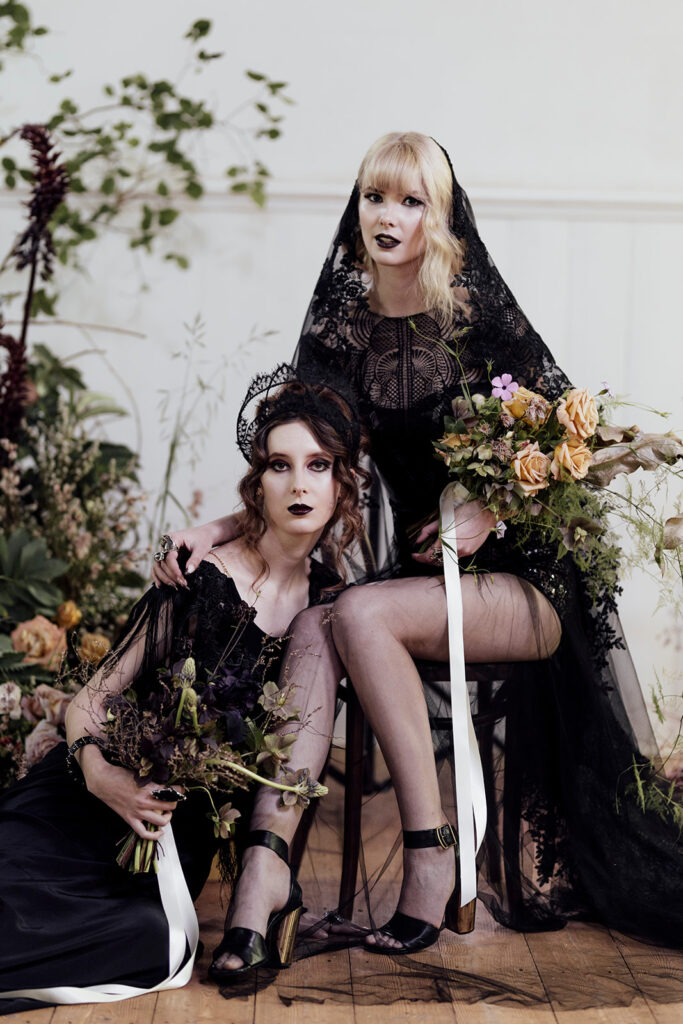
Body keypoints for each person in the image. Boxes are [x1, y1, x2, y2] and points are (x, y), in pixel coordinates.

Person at [153, 132, 683, 955]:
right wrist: (215, 528)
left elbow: (576, 454)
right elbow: (305, 464)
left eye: (410, 201)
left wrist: (490, 511)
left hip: (530, 585)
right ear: (355, 208)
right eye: (374, 197)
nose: (387, 216)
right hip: (420, 587)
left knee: (355, 615)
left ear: (440, 218)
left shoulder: (478, 322)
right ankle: (263, 878)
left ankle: (432, 861)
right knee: (318, 623)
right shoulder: (339, 332)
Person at [0, 369, 367, 1015]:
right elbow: (89, 697)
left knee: (145, 939)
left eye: (318, 465)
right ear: (258, 483)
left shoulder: (335, 608)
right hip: (86, 795)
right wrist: (100, 774)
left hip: (176, 832)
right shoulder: (199, 577)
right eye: (279, 466)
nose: (299, 484)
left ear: (343, 483)